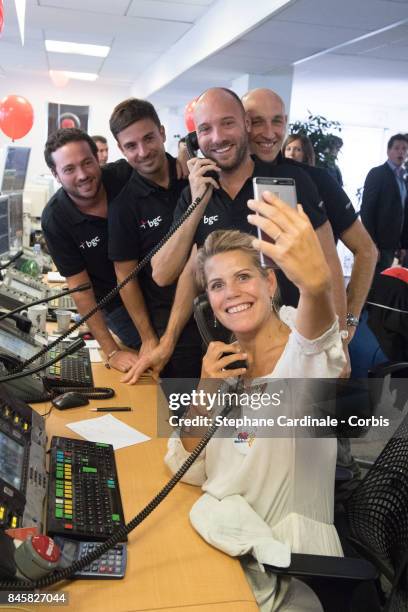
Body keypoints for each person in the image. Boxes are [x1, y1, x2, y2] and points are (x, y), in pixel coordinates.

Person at [165, 193, 346, 612]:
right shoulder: (229, 363)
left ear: (270, 283)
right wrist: (206, 389)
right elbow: (186, 466)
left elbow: (315, 338)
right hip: (228, 550)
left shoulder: (301, 360)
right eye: (216, 285)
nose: (231, 293)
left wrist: (316, 287)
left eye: (244, 277)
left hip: (290, 577)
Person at [152, 87, 346, 332]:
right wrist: (197, 203)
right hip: (228, 343)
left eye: (227, 123)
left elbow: (328, 260)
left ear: (246, 124)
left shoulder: (292, 179)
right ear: (195, 140)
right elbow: (162, 274)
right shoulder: (195, 192)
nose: (217, 137)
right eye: (205, 129)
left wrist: (340, 336)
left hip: (293, 337)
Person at [242, 88, 377, 344]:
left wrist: (348, 323)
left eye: (277, 121)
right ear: (242, 124)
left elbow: (366, 251)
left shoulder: (315, 179)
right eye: (257, 121)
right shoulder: (223, 182)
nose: (269, 133)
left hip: (306, 333)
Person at [108, 98, 203, 381]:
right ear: (121, 149)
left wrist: (187, 147)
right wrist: (148, 337)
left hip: (220, 314)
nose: (143, 151)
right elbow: (125, 277)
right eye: (131, 146)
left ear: (162, 133)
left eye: (149, 138)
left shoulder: (194, 176)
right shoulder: (123, 206)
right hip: (170, 325)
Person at [41, 128, 139, 373]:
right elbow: (80, 289)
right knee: (148, 357)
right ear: (56, 174)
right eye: (69, 169)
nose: (83, 175)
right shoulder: (55, 219)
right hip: (115, 302)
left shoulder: (123, 175)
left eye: (87, 163)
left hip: (156, 284)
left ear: (98, 158)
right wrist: (112, 351)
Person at [360, 133, 408, 273]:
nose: (401, 152)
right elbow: (367, 210)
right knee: (373, 282)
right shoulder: (377, 173)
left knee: (389, 283)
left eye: (404, 149)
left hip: (395, 243)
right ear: (388, 151)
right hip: (379, 243)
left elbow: (404, 212)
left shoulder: (404, 178)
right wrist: (372, 243)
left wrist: (403, 245)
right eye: (397, 148)